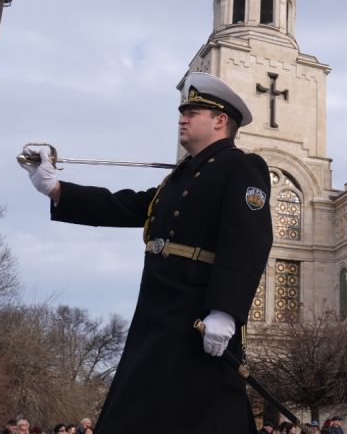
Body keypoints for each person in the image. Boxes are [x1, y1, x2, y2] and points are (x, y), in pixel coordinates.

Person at [20, 71, 273, 433]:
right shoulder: (179, 178)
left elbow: (249, 239)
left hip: (198, 311)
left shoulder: (242, 166)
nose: (182, 118)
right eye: (182, 111)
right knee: (139, 407)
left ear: (220, 121)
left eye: (193, 112)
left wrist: (226, 311)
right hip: (157, 306)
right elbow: (128, 207)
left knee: (203, 411)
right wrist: (55, 188)